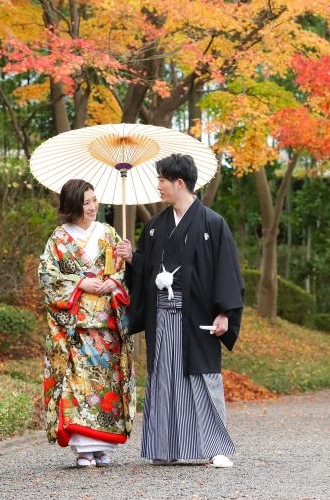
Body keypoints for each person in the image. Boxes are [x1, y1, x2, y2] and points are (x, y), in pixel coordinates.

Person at [115, 153, 244, 468]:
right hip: (162, 313)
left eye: (161, 179)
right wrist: (133, 257)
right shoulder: (157, 226)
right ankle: (165, 446)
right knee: (164, 377)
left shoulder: (213, 223)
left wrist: (225, 312)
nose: (157, 186)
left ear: (179, 183)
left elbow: (227, 271)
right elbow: (147, 267)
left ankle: (215, 447)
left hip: (197, 314)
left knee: (201, 377)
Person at [38, 179, 136, 468]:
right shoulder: (58, 239)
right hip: (76, 328)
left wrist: (119, 272)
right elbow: (47, 276)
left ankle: (104, 445)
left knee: (107, 383)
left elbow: (122, 274)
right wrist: (82, 282)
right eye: (86, 202)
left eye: (95, 200)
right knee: (79, 383)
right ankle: (84, 449)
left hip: (107, 324)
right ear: (72, 206)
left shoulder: (108, 233)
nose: (93, 207)